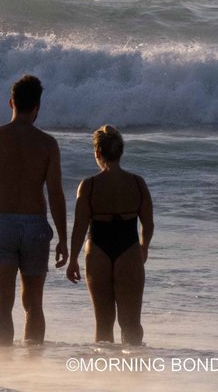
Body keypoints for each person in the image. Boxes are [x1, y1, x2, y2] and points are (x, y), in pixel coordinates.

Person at [0, 75, 68, 346]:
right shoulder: (47, 144)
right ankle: (32, 366)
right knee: (34, 304)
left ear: (11, 102)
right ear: (37, 107)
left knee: (2, 303)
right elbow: (56, 194)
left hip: (2, 227)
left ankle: (5, 365)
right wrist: (63, 238)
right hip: (36, 227)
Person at [66, 125, 154, 345]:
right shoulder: (137, 183)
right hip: (129, 248)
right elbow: (148, 223)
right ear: (121, 152)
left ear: (97, 153)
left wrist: (73, 259)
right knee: (131, 323)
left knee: (103, 323)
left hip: (98, 250)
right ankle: (132, 371)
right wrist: (144, 246)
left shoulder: (89, 185)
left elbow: (79, 227)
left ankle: (103, 375)